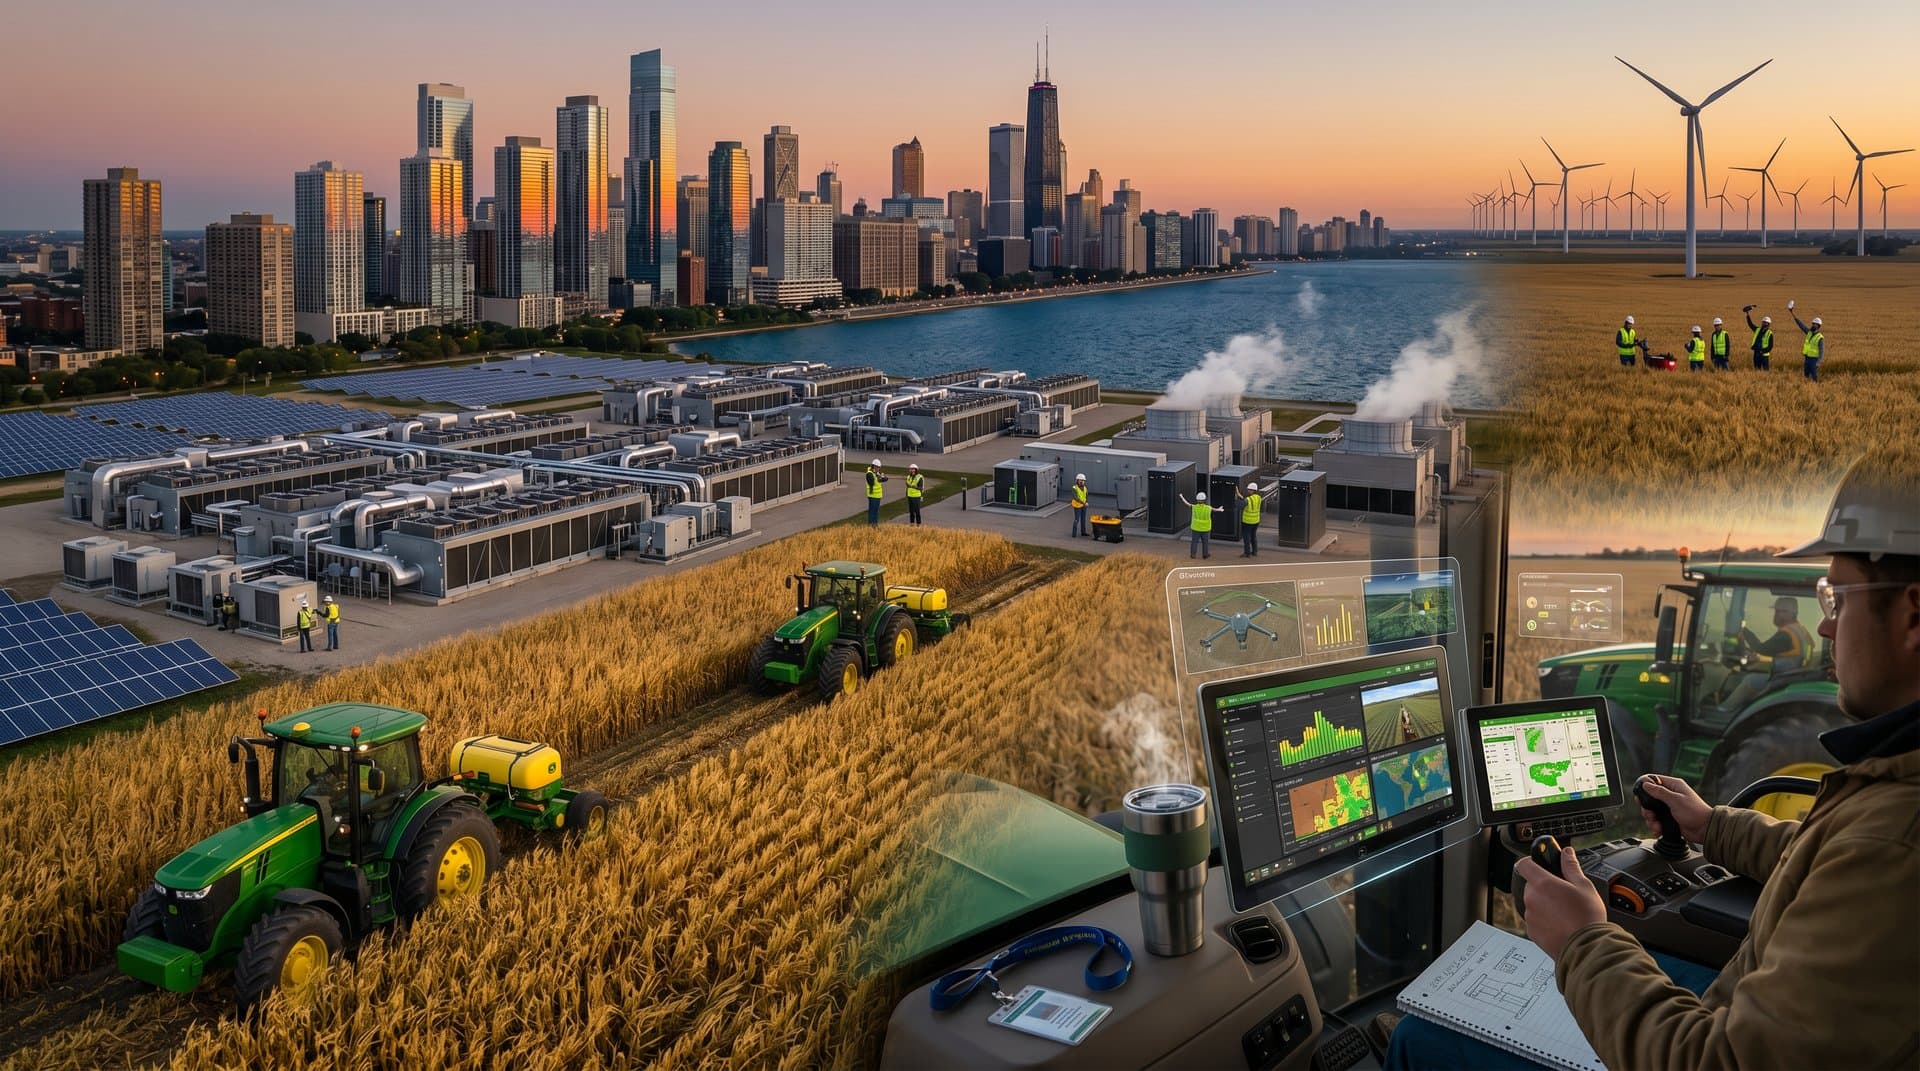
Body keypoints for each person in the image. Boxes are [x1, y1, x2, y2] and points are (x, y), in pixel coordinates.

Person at [1389, 454, 1920, 1071]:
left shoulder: (1896, 841)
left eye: (1839, 596)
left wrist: (1583, 941)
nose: (1826, 626)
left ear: (1913, 615)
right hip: (1750, 1003)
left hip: (1715, 1044)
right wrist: (1711, 826)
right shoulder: (1890, 793)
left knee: (1419, 1039)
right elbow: (1832, 862)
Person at [1719, 595, 1816, 711]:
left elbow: (1761, 648)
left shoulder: (1786, 634)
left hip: (1784, 679)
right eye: (1776, 611)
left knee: (1750, 679)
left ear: (1791, 613)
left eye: (1780, 611)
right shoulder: (1801, 630)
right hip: (1796, 676)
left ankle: (1724, 710)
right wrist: (1760, 658)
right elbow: (1789, 655)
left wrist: (1743, 630)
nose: (1776, 614)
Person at [1179, 491, 1224, 560]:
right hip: (1205, 528)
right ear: (1205, 500)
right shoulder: (1208, 508)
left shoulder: (1194, 507)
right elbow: (1215, 510)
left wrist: (1182, 497)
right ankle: (1205, 555)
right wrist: (1220, 509)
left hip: (1196, 528)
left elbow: (1187, 503)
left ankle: (1193, 555)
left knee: (1194, 542)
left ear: (1197, 500)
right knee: (1205, 542)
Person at [1790, 301, 1824, 381]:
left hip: (1814, 359)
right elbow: (1800, 324)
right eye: (1813, 323)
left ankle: (1815, 388)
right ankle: (1807, 387)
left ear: (1818, 326)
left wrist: (1818, 362)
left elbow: (1822, 351)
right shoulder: (1808, 332)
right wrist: (1792, 313)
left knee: (1814, 375)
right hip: (1807, 358)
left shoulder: (1820, 338)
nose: (1813, 325)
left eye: (1815, 324)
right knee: (1806, 375)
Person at [1236, 481, 1262, 558]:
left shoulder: (1248, 499)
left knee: (1246, 537)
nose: (1248, 491)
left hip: (1247, 521)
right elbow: (1249, 501)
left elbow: (1240, 505)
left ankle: (1247, 553)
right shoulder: (1258, 497)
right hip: (1256, 520)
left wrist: (1237, 497)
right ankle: (1254, 551)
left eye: (1249, 490)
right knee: (1253, 536)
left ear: (1253, 490)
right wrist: (1242, 497)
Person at [1744, 305, 1774, 371]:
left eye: (1766, 323)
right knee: (1757, 370)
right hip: (1756, 353)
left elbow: (1770, 346)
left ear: (1768, 324)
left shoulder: (1770, 333)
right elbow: (1750, 324)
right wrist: (1747, 314)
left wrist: (1762, 351)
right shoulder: (1757, 330)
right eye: (1763, 322)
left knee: (1765, 371)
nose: (1764, 323)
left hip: (1764, 355)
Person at [863, 460, 887, 526]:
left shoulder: (877, 473)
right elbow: (871, 482)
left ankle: (875, 525)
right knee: (872, 511)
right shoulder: (869, 473)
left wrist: (882, 477)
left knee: (876, 511)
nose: (878, 469)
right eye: (877, 467)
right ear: (873, 466)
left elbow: (885, 479)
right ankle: (870, 525)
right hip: (872, 495)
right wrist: (877, 477)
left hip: (878, 495)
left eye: (879, 467)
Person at [1069, 474, 1090, 538]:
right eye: (1081, 480)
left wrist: (1086, 502)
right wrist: (1084, 503)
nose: (1082, 481)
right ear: (1077, 480)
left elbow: (1086, 496)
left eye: (1083, 480)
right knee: (1076, 519)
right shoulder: (1074, 488)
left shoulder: (1085, 488)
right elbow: (1076, 498)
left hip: (1084, 505)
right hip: (1077, 505)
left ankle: (1083, 532)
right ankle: (1074, 534)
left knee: (1083, 519)